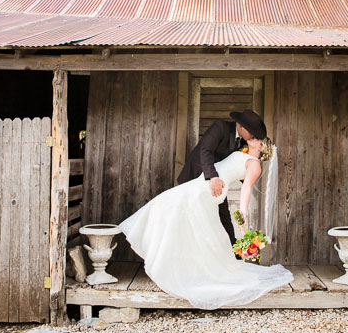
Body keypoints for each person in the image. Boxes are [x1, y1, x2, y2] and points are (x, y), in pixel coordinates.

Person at [119, 136, 293, 310]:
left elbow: (246, 188)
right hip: (202, 184)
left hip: (209, 191)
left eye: (256, 138)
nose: (251, 137)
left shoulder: (254, 164)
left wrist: (243, 211)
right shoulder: (243, 153)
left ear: (262, 147)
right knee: (175, 214)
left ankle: (168, 266)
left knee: (166, 204)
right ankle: (178, 265)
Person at [177, 110, 267, 246]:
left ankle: (234, 253)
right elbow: (205, 150)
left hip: (219, 183)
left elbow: (239, 167)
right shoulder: (220, 127)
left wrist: (250, 177)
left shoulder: (245, 142)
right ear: (240, 126)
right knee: (188, 217)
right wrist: (213, 177)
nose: (254, 136)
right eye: (252, 132)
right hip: (198, 177)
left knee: (223, 216)